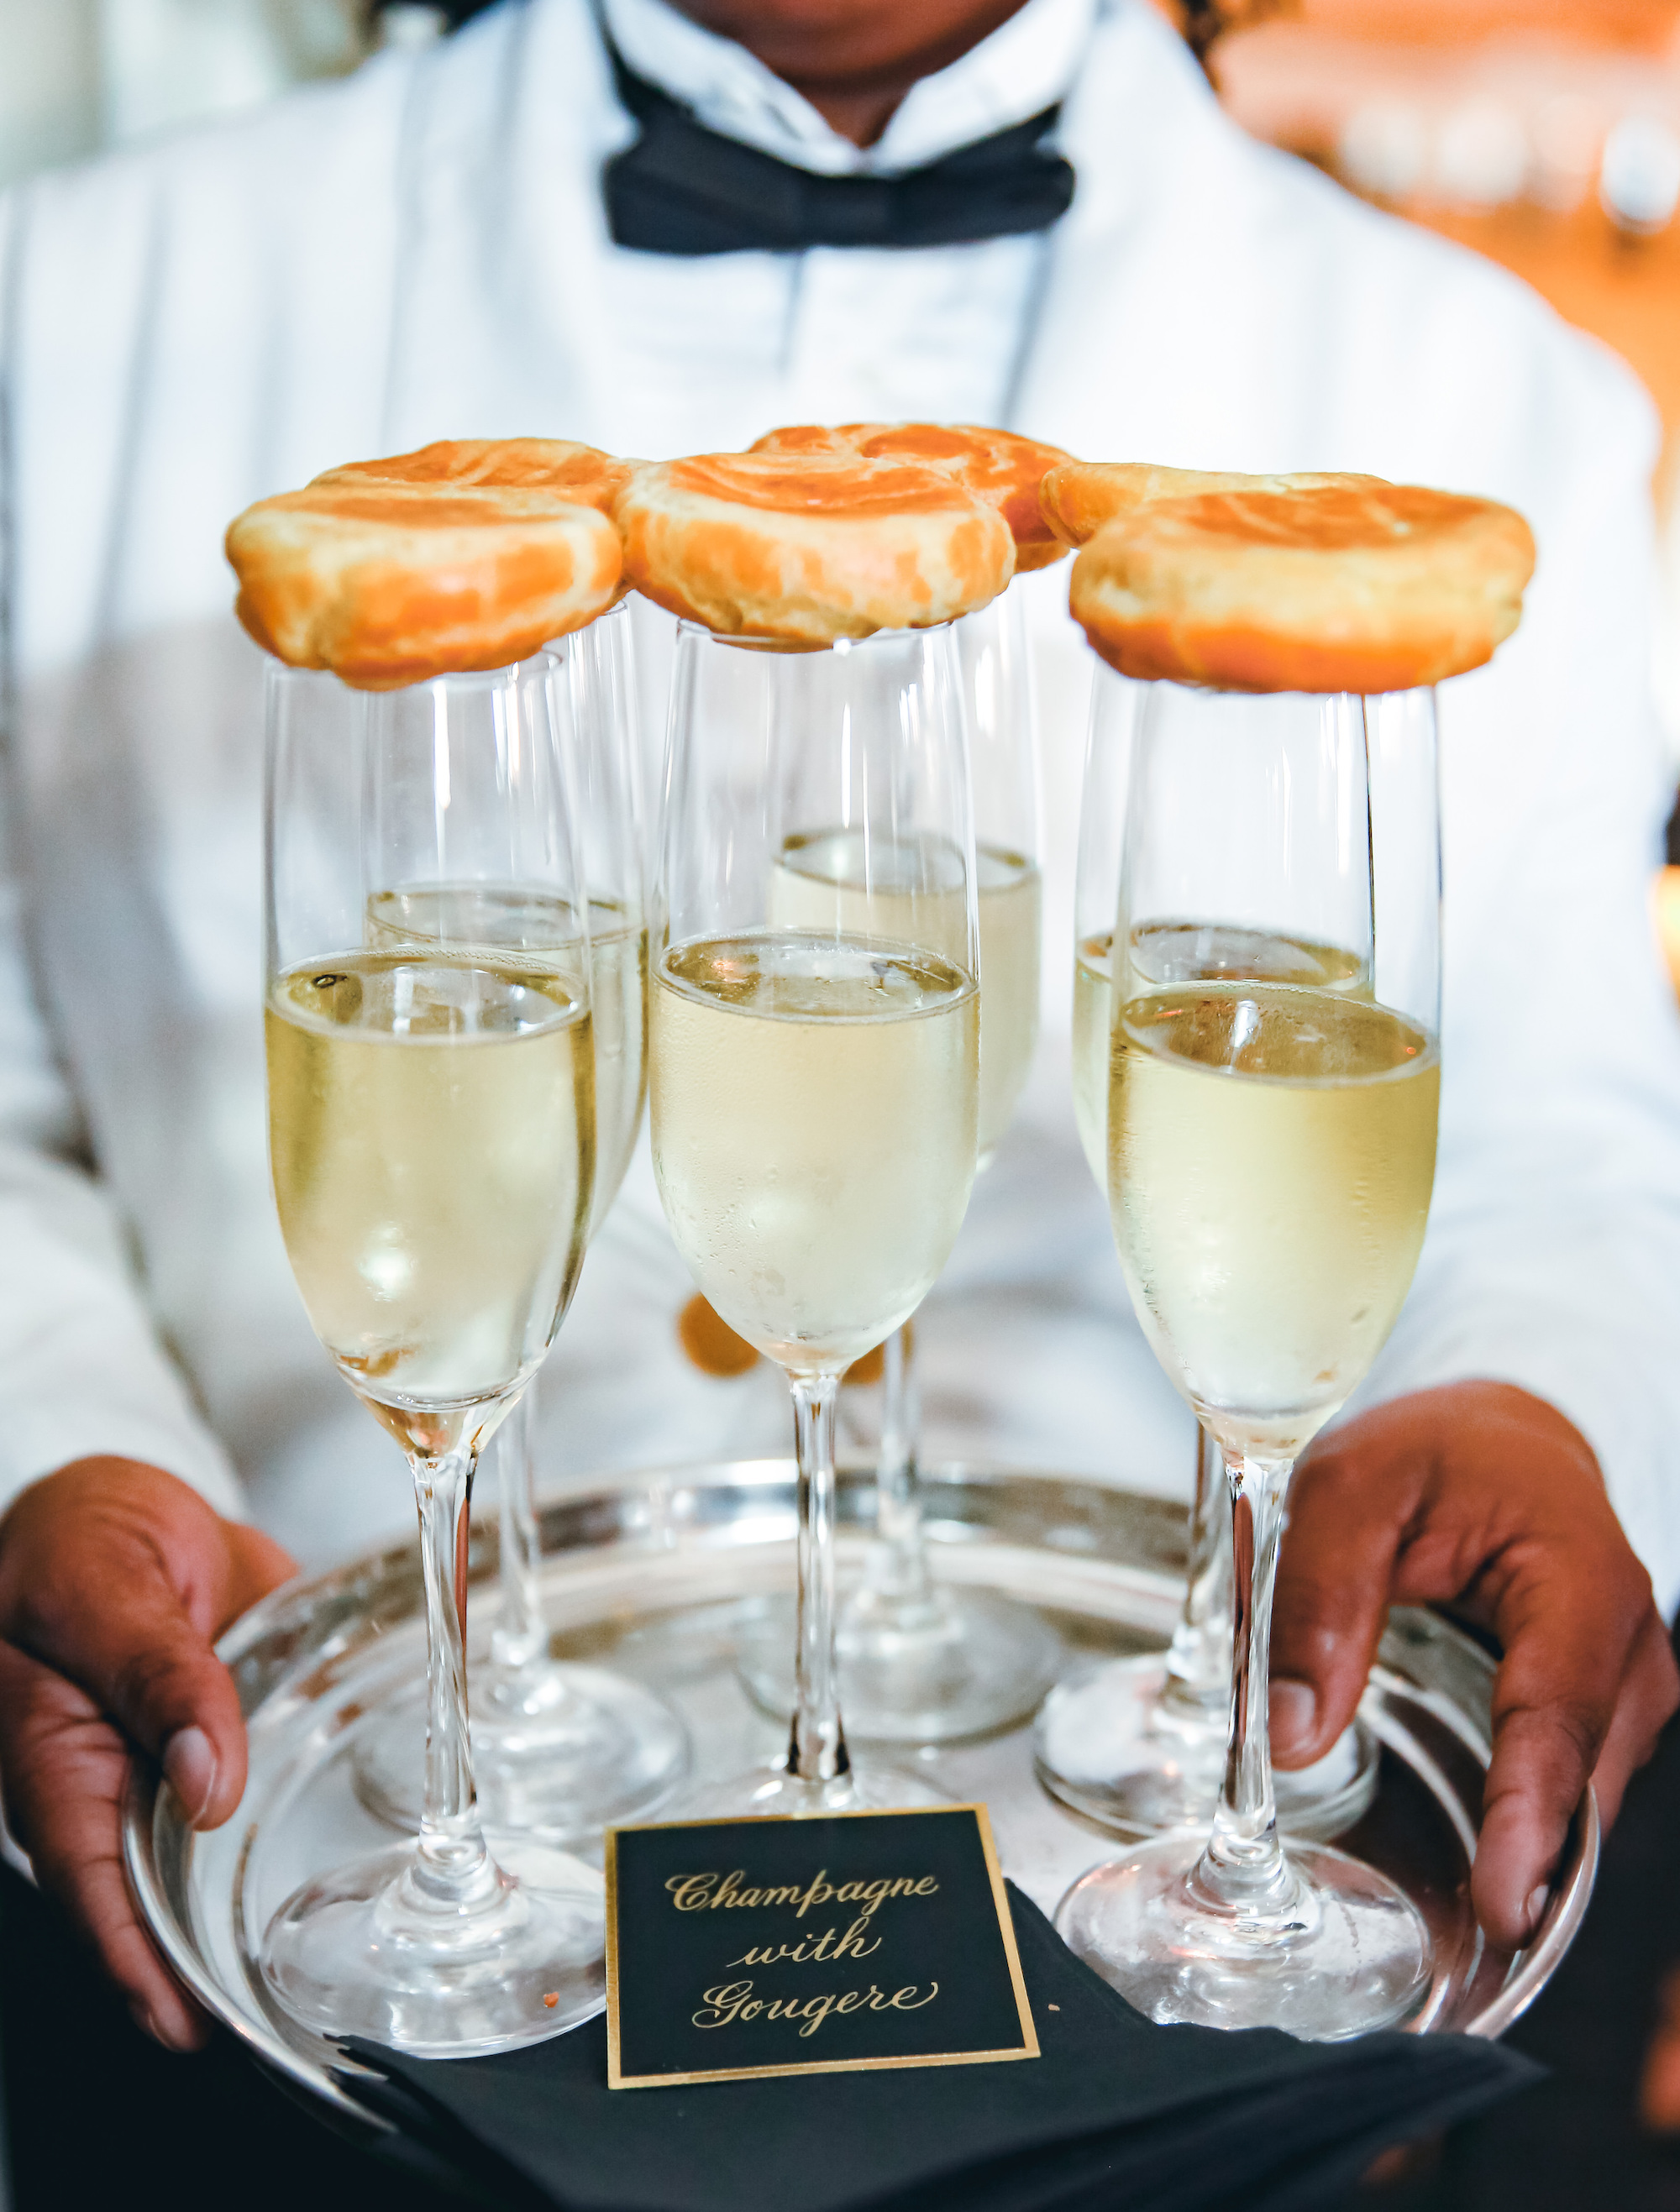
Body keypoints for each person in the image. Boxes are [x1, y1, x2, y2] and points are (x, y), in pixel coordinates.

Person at [0, 0, 1677, 2057]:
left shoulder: (1509, 401)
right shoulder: (65, 304)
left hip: (1152, 1952)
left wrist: (1547, 1403)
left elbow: (1568, 1138)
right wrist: (43, 1451)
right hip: (342, 1876)